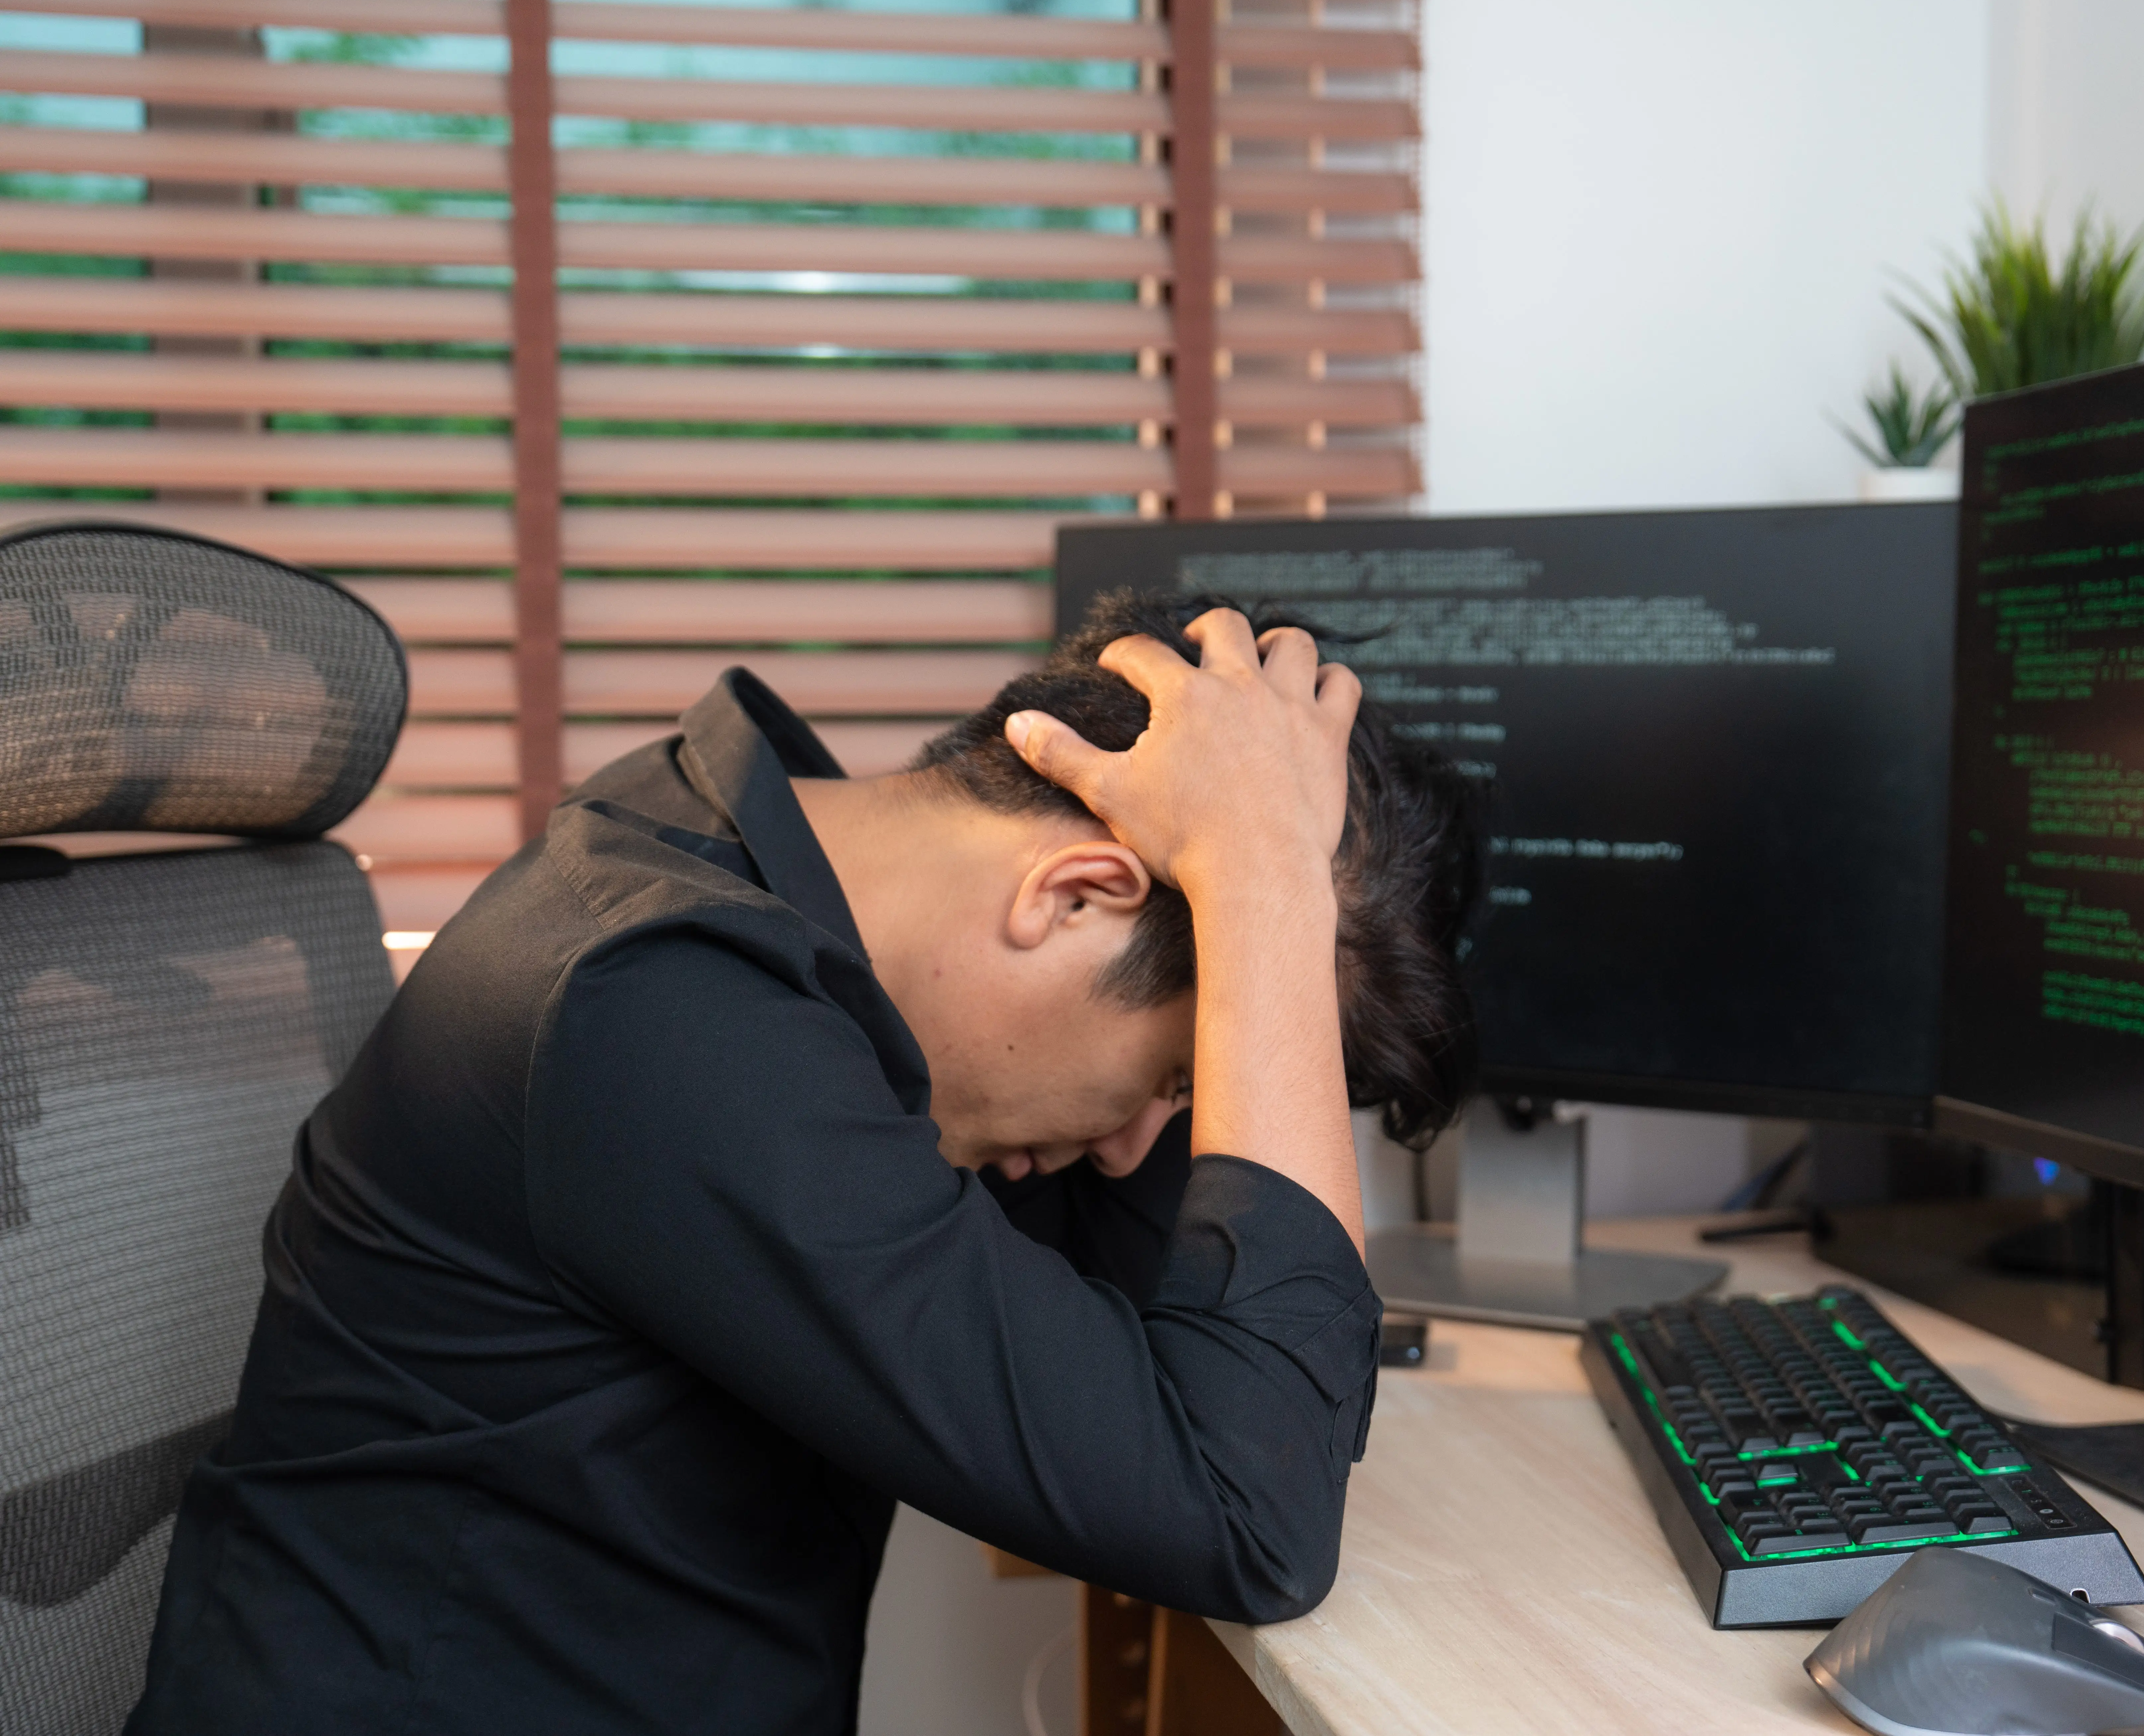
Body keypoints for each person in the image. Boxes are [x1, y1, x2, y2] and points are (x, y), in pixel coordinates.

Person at [128, 591, 1480, 1735]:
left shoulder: (741, 874)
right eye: (1182, 1075)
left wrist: (1257, 911)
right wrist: (1259, 884)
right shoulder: (660, 1015)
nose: (1149, 1142)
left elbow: (1245, 1397)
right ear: (1073, 894)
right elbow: (1251, 1513)